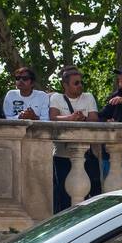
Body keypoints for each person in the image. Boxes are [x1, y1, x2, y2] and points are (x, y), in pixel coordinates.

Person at [50, 67, 102, 212]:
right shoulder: (56, 98)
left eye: (81, 82)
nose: (80, 85)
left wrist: (83, 118)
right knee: (63, 191)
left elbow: (94, 118)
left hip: (86, 153)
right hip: (62, 154)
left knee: (89, 189)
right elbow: (53, 117)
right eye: (76, 83)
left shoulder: (88, 96)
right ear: (65, 85)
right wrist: (71, 118)